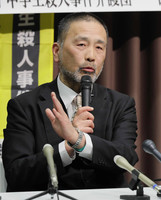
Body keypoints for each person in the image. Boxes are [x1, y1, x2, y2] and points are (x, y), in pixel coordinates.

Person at [2, 12, 138, 192]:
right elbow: (16, 174)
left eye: (99, 47)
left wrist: (79, 140)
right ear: (57, 51)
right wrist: (67, 148)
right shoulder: (25, 105)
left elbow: (126, 160)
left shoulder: (121, 104)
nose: (91, 56)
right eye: (81, 44)